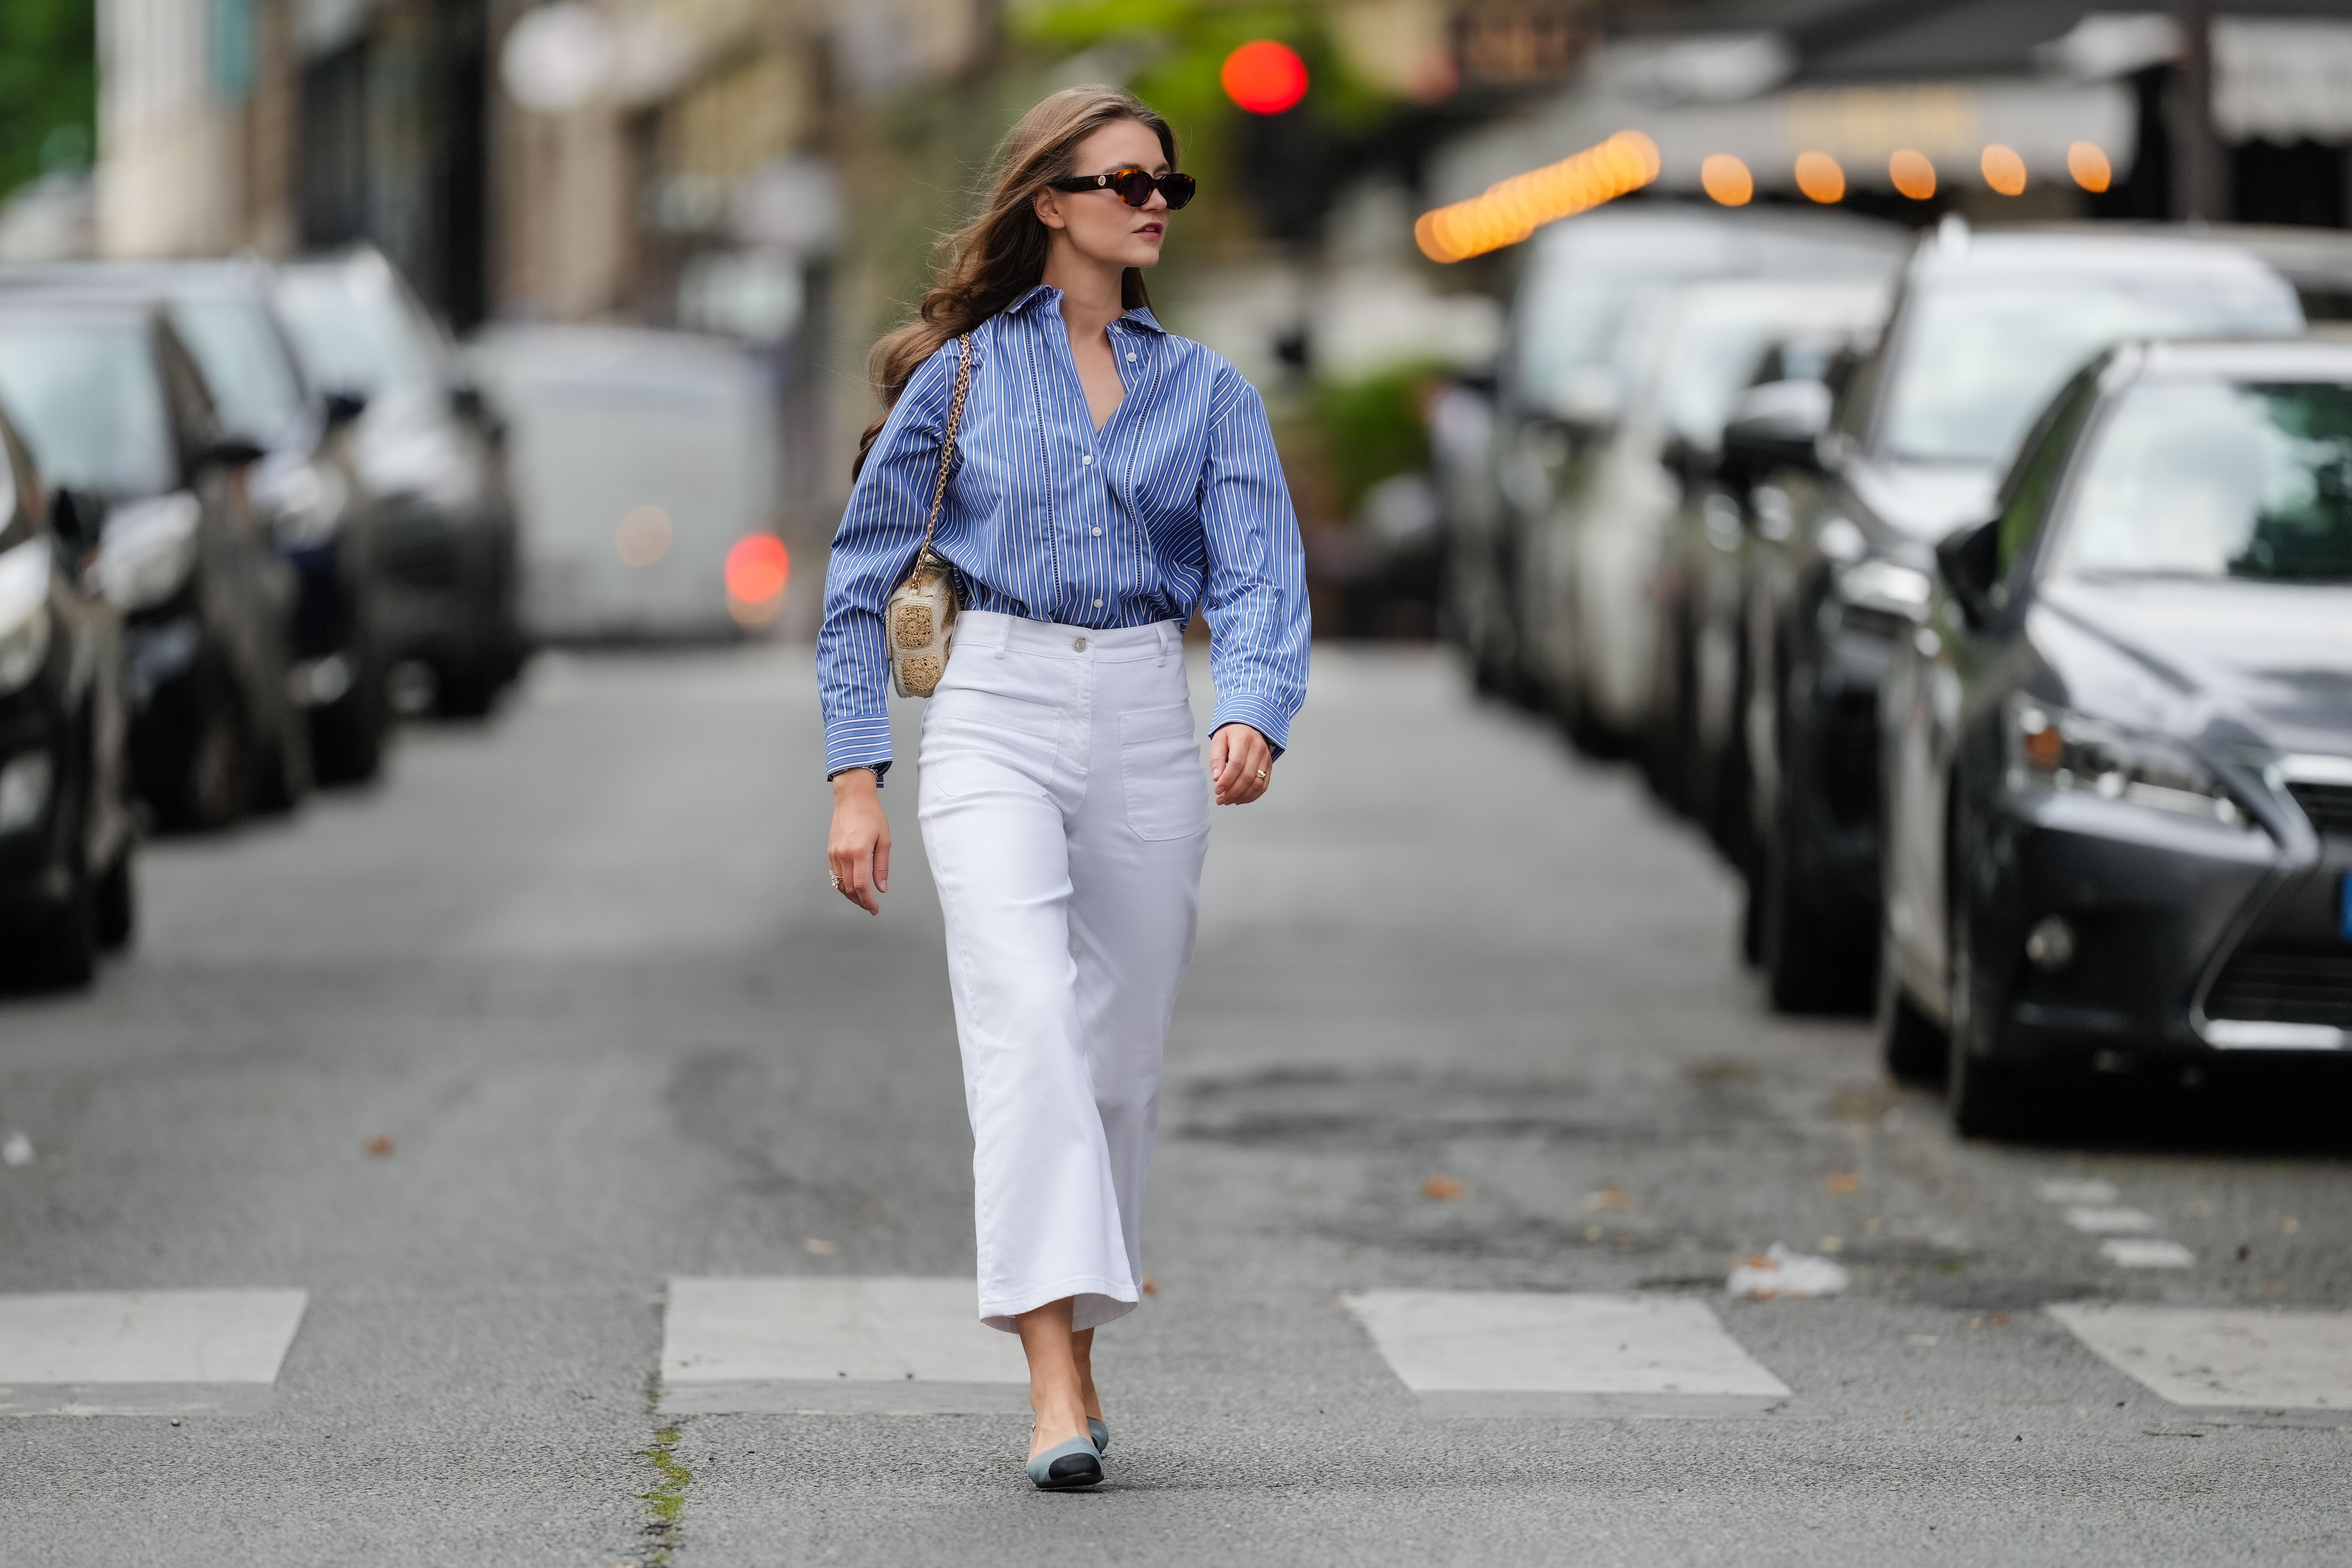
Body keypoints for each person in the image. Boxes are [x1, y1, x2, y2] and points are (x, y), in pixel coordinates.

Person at [817, 85, 1309, 1490]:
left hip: (1150, 711)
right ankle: (1050, 1380)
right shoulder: (962, 376)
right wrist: (857, 781)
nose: (1156, 202)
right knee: (1025, 1013)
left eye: (1169, 185)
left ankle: (1076, 1349)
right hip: (996, 709)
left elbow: (1262, 575)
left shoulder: (1207, 392)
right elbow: (861, 586)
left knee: (1117, 1058)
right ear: (1051, 203)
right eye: (1126, 181)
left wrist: (1255, 711)